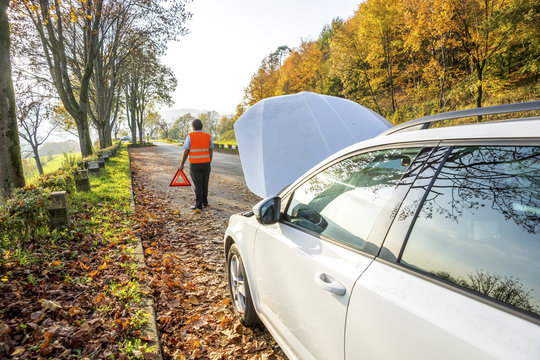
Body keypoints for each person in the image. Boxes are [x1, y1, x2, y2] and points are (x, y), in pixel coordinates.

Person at [179, 119, 213, 211]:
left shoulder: (190, 136)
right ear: (201, 126)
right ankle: (205, 202)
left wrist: (182, 164)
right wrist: (208, 162)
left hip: (195, 164)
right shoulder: (208, 136)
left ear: (193, 127)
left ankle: (198, 205)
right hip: (206, 164)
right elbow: (210, 150)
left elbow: (186, 150)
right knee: (205, 183)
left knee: (198, 184)